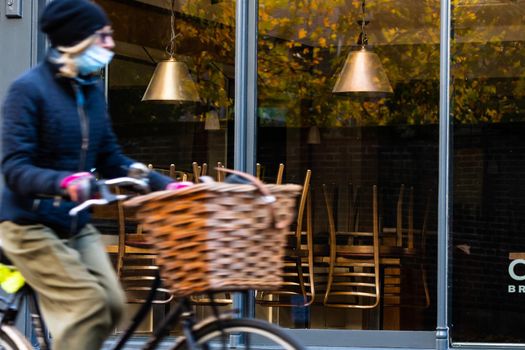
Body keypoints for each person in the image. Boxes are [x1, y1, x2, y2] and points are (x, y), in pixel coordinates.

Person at [0, 1, 174, 349]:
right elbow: (14, 167)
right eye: (104, 36)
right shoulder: (29, 90)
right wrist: (63, 182)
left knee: (111, 305)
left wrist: (167, 186)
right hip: (28, 225)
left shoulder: (91, 91)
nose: (110, 44)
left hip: (75, 223)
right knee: (88, 309)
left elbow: (111, 158)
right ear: (79, 39)